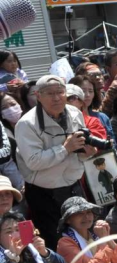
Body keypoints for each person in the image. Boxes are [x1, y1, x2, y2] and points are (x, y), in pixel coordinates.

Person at [15, 75, 100, 242]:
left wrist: (87, 152)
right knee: (57, 241)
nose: (56, 98)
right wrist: (65, 148)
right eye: (49, 93)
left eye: (60, 92)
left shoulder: (75, 113)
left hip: (74, 185)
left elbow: (79, 149)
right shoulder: (26, 123)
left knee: (85, 235)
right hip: (44, 192)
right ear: (38, 96)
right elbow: (34, 161)